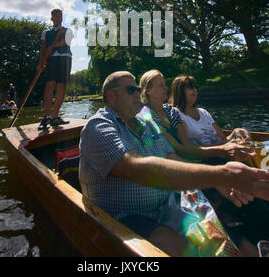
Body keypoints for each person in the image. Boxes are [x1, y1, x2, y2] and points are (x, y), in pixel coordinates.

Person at [79, 71, 269, 257]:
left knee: (224, 238)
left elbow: (170, 156)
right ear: (111, 96)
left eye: (137, 89)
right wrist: (222, 174)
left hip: (168, 205)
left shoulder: (146, 124)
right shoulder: (99, 126)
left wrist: (216, 181)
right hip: (125, 216)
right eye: (131, 90)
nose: (138, 93)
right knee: (169, 241)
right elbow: (136, 167)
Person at [138, 69, 254, 163]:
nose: (166, 88)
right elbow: (180, 149)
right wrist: (222, 149)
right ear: (148, 90)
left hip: (193, 156)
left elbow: (185, 144)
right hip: (176, 162)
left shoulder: (170, 110)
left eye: (165, 84)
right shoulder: (146, 115)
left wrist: (229, 141)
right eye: (161, 85)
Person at [170, 75, 251, 147]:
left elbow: (222, 138)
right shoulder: (176, 114)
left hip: (222, 152)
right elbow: (188, 149)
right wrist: (224, 145)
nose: (194, 89)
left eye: (195, 86)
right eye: (190, 86)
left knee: (246, 138)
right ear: (179, 91)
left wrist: (235, 133)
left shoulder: (203, 112)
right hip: (207, 157)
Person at [37, 9, 73, 130]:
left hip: (65, 59)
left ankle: (55, 116)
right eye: (55, 16)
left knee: (61, 86)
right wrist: (41, 63)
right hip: (52, 59)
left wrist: (53, 46)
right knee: (50, 85)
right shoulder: (46, 33)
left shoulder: (67, 30)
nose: (57, 18)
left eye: (59, 16)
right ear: (51, 18)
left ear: (62, 18)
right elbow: (43, 49)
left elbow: (66, 41)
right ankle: (47, 116)